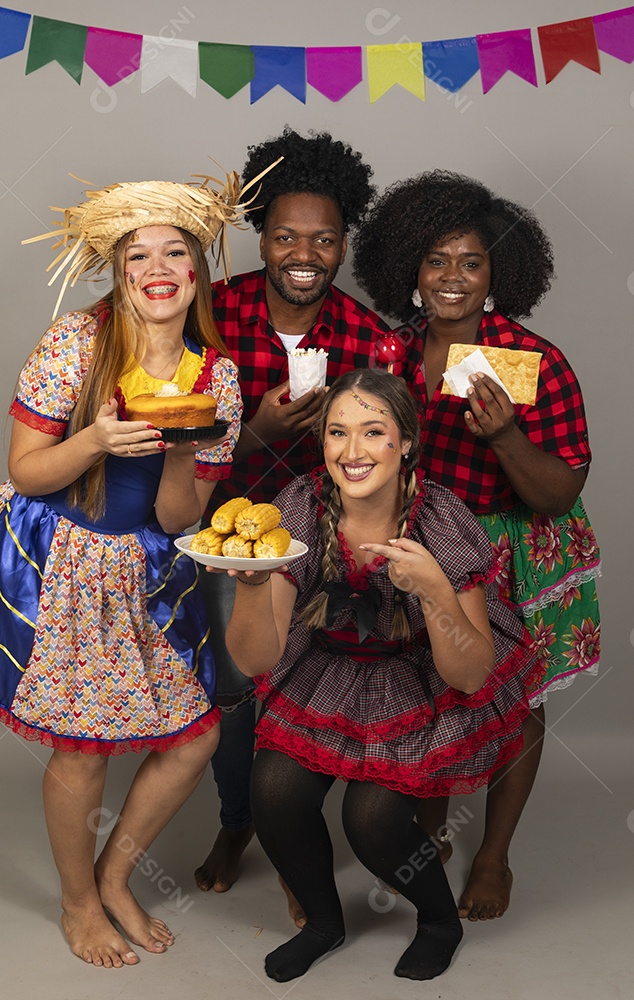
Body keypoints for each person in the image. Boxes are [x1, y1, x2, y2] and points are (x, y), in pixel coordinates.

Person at [0, 176, 247, 967]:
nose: (159, 266)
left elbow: (177, 520)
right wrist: (98, 440)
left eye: (176, 251)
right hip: (60, 557)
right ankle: (77, 904)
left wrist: (175, 451)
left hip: (146, 569)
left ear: (198, 271)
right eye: (140, 254)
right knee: (83, 749)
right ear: (118, 269)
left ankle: (115, 875)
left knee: (196, 738)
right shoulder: (75, 342)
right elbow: (29, 471)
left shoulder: (218, 380)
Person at [215, 369, 538, 984]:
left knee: (372, 821)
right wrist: (253, 587)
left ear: (406, 442)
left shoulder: (440, 517)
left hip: (421, 679)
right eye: (338, 433)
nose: (353, 452)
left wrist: (437, 591)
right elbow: (257, 659)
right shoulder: (299, 509)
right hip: (328, 671)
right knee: (274, 792)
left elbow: (471, 674)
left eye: (373, 432)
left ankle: (440, 920)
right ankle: (322, 922)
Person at [352, 170, 601, 921]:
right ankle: (428, 829)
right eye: (436, 261)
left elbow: (557, 495)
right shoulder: (388, 355)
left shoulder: (535, 362)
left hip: (512, 545)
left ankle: (494, 857)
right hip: (422, 541)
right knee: (429, 684)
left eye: (471, 262)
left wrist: (505, 437)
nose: (452, 278)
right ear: (411, 271)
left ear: (498, 274)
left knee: (513, 701)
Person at [194, 129, 390, 901]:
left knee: (318, 683)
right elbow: (172, 433)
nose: (302, 252)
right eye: (284, 236)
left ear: (344, 246)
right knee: (237, 689)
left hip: (330, 540)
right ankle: (238, 817)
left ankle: (297, 841)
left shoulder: (371, 338)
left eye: (323, 238)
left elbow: (392, 453)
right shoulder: (211, 314)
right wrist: (255, 434)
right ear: (261, 238)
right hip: (229, 539)